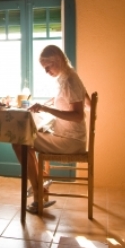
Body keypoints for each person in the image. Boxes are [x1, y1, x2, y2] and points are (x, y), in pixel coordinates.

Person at [12, 45, 90, 214]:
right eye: (44, 68)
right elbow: (88, 103)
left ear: (58, 59)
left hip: (71, 141)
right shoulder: (67, 76)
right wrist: (48, 102)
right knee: (24, 141)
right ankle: (39, 188)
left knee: (19, 141)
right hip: (69, 137)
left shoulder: (70, 80)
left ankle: (39, 192)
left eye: (48, 67)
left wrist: (46, 109)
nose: (47, 71)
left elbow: (78, 116)